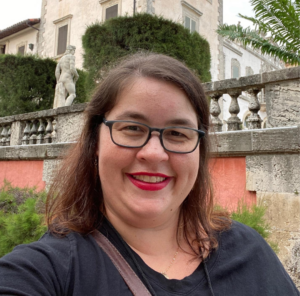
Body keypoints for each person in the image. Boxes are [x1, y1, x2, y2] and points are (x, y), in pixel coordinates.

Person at [0, 53, 299, 296]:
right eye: (132, 128)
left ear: (200, 149)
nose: (154, 153)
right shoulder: (50, 272)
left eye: (177, 133)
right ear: (95, 142)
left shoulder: (248, 250)